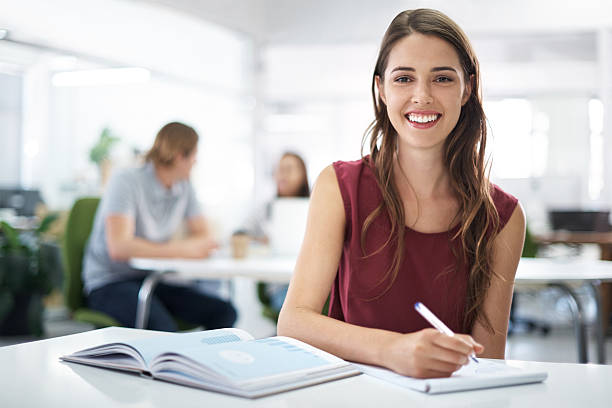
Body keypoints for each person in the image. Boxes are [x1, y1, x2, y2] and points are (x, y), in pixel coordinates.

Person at [277, 9, 525, 379]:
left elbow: (486, 359)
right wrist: (392, 350)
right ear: (381, 88)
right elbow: (294, 321)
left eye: (442, 78)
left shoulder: (502, 217)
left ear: (467, 88)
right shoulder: (339, 186)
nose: (421, 96)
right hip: (348, 398)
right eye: (404, 78)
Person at [82, 122, 237, 331]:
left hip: (150, 280)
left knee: (224, 312)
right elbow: (119, 247)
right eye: (193, 156)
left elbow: (205, 237)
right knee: (163, 328)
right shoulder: (126, 181)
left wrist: (190, 248)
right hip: (110, 283)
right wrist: (183, 250)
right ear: (180, 156)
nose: (195, 162)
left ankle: (198, 362)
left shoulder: (184, 186)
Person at [246, 152, 310, 318]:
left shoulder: (315, 206)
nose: (282, 175)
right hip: (280, 286)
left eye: (288, 169)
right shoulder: (266, 209)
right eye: (279, 170)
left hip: (312, 282)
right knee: (298, 310)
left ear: (302, 175)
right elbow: (238, 235)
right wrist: (263, 241)